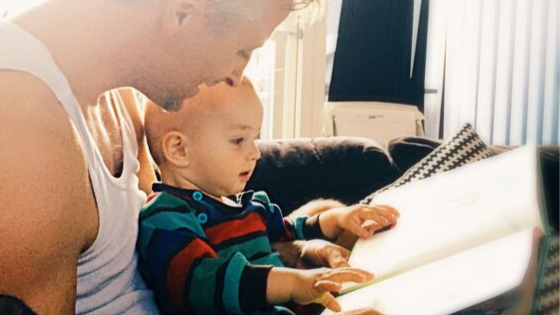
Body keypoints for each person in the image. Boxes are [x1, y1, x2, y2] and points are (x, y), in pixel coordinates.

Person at [0, 0, 336, 314]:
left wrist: (297, 248)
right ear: (181, 14)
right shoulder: (23, 134)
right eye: (242, 49)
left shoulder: (122, 94)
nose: (234, 76)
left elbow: (182, 244)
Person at [139, 78, 400, 314]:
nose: (255, 153)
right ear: (179, 149)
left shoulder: (251, 205)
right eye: (238, 140)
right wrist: (291, 283)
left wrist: (337, 219)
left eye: (255, 138)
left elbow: (288, 233)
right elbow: (200, 284)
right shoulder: (166, 215)